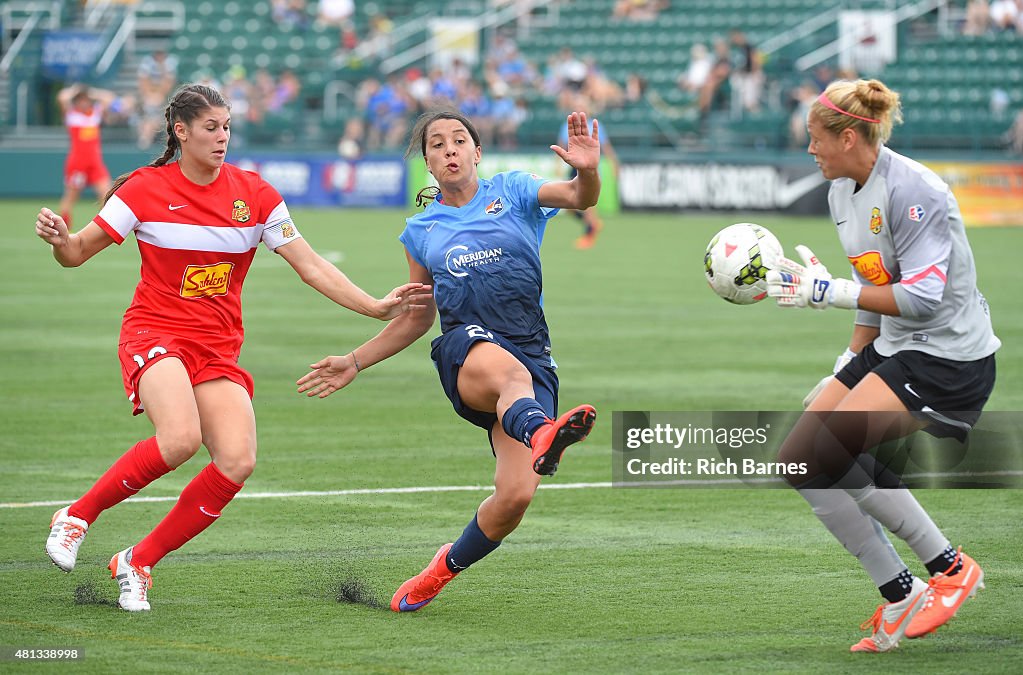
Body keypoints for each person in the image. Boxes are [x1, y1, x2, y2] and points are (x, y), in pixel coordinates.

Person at [37, 83, 430, 612]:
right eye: (211, 128)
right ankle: (77, 516)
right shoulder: (143, 190)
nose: (223, 138)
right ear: (181, 132)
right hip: (155, 334)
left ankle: (139, 560)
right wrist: (62, 241)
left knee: (237, 460)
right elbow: (77, 253)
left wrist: (375, 306)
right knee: (178, 439)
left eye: (227, 128)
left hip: (216, 349)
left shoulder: (257, 195)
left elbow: (310, 264)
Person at [296, 107, 601, 612]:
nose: (449, 149)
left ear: (477, 153)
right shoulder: (422, 230)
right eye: (437, 145)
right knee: (508, 371)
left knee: (514, 499)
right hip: (467, 354)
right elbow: (418, 317)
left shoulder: (516, 191)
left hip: (529, 357)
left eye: (459, 140)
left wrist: (586, 169)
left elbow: (578, 196)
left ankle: (441, 569)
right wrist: (355, 360)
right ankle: (542, 432)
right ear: (428, 164)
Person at [765, 79, 999, 653]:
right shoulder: (841, 189)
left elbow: (921, 297)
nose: (810, 151)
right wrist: (847, 362)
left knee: (833, 450)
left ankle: (950, 568)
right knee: (799, 460)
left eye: (816, 140)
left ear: (849, 136)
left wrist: (828, 290)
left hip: (948, 357)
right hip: (895, 347)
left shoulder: (916, 190)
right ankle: (901, 593)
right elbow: (874, 288)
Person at [558, 94, 618, 249]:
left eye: (582, 106)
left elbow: (607, 148)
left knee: (588, 203)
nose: (579, 109)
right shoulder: (567, 125)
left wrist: (614, 165)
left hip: (590, 169)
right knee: (569, 205)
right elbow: (561, 146)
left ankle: (589, 233)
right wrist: (557, 164)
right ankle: (593, 224)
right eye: (576, 106)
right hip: (573, 168)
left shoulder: (595, 125)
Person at [58, 84, 117, 230]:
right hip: (78, 163)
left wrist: (92, 92)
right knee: (71, 197)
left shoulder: (95, 113)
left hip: (95, 162)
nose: (84, 102)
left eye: (86, 99)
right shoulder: (72, 115)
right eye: (80, 100)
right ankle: (62, 227)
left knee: (107, 194)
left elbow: (110, 98)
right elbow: (61, 97)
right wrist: (75, 90)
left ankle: (106, 227)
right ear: (76, 102)